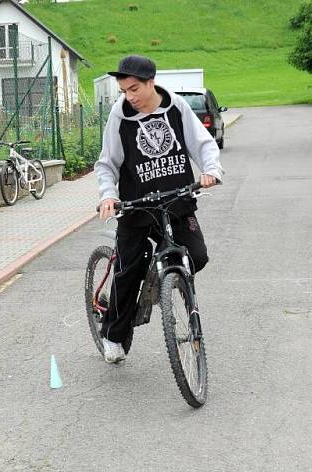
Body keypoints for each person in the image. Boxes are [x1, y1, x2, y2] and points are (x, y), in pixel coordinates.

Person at [96, 55, 223, 363]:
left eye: (135, 88)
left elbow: (203, 143)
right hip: (136, 207)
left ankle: (163, 286)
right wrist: (108, 195)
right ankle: (113, 335)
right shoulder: (121, 114)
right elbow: (107, 163)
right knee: (128, 272)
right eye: (125, 90)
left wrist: (211, 170)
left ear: (151, 82)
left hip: (175, 200)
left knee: (197, 255)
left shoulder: (176, 106)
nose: (130, 96)